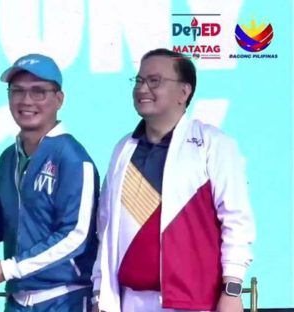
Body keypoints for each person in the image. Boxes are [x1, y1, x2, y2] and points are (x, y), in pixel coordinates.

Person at [91, 48, 255, 311]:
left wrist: (232, 290)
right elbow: (105, 225)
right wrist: (101, 291)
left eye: (154, 81)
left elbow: (236, 221)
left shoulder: (213, 144)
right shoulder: (123, 148)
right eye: (139, 80)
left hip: (192, 301)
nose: (142, 88)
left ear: (184, 92)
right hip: (128, 300)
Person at [0, 53, 100, 311]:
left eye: (38, 91)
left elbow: (75, 235)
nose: (26, 100)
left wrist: (8, 268)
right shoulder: (9, 158)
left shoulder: (72, 158)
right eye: (17, 91)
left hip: (63, 300)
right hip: (17, 301)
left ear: (59, 99)